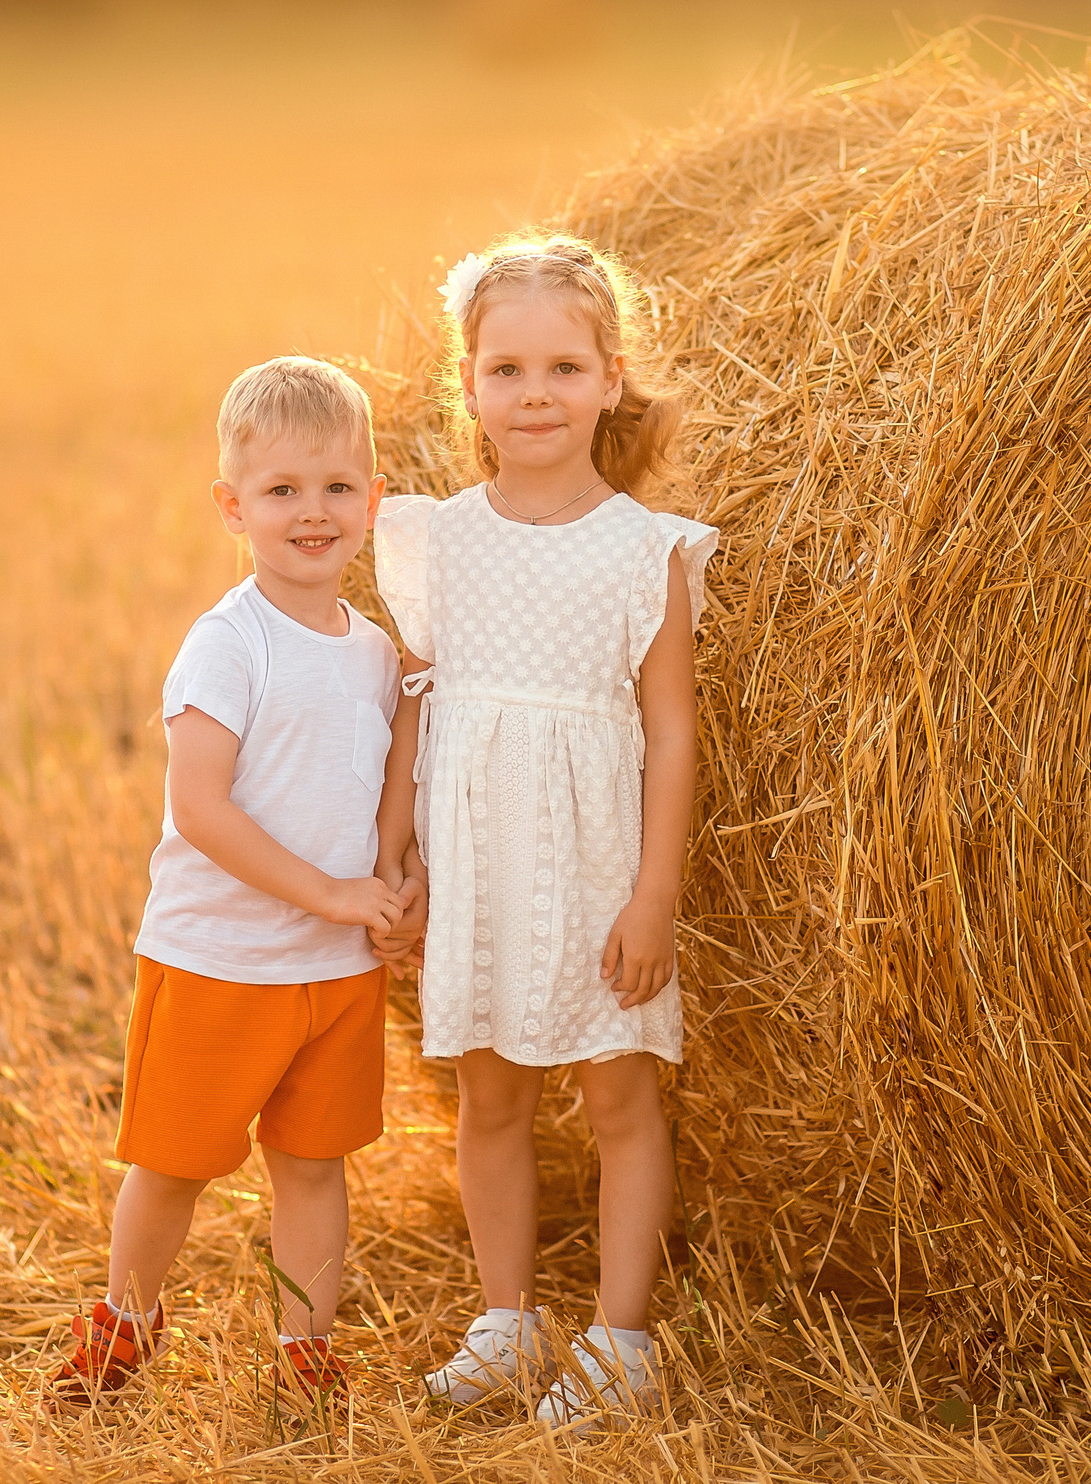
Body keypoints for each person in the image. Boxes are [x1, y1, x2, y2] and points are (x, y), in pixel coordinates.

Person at [375, 235, 717, 1432]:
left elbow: (669, 735)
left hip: (593, 866)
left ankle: (622, 1344)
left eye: (563, 368)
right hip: (474, 863)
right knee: (491, 1098)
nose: (535, 394)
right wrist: (397, 857)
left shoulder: (647, 552)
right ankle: (506, 1322)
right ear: (468, 386)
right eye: (507, 369)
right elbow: (416, 710)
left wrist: (652, 898)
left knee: (621, 1100)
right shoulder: (435, 541)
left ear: (611, 379)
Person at [54, 356, 421, 1406]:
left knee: (314, 1167)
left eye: (338, 488)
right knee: (172, 1166)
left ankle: (305, 1353)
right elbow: (202, 811)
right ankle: (125, 1324)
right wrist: (334, 895)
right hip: (220, 960)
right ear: (232, 507)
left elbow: (390, 787)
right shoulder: (229, 644)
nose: (314, 513)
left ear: (373, 499)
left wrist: (392, 887)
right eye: (282, 492)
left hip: (334, 969)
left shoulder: (375, 656)